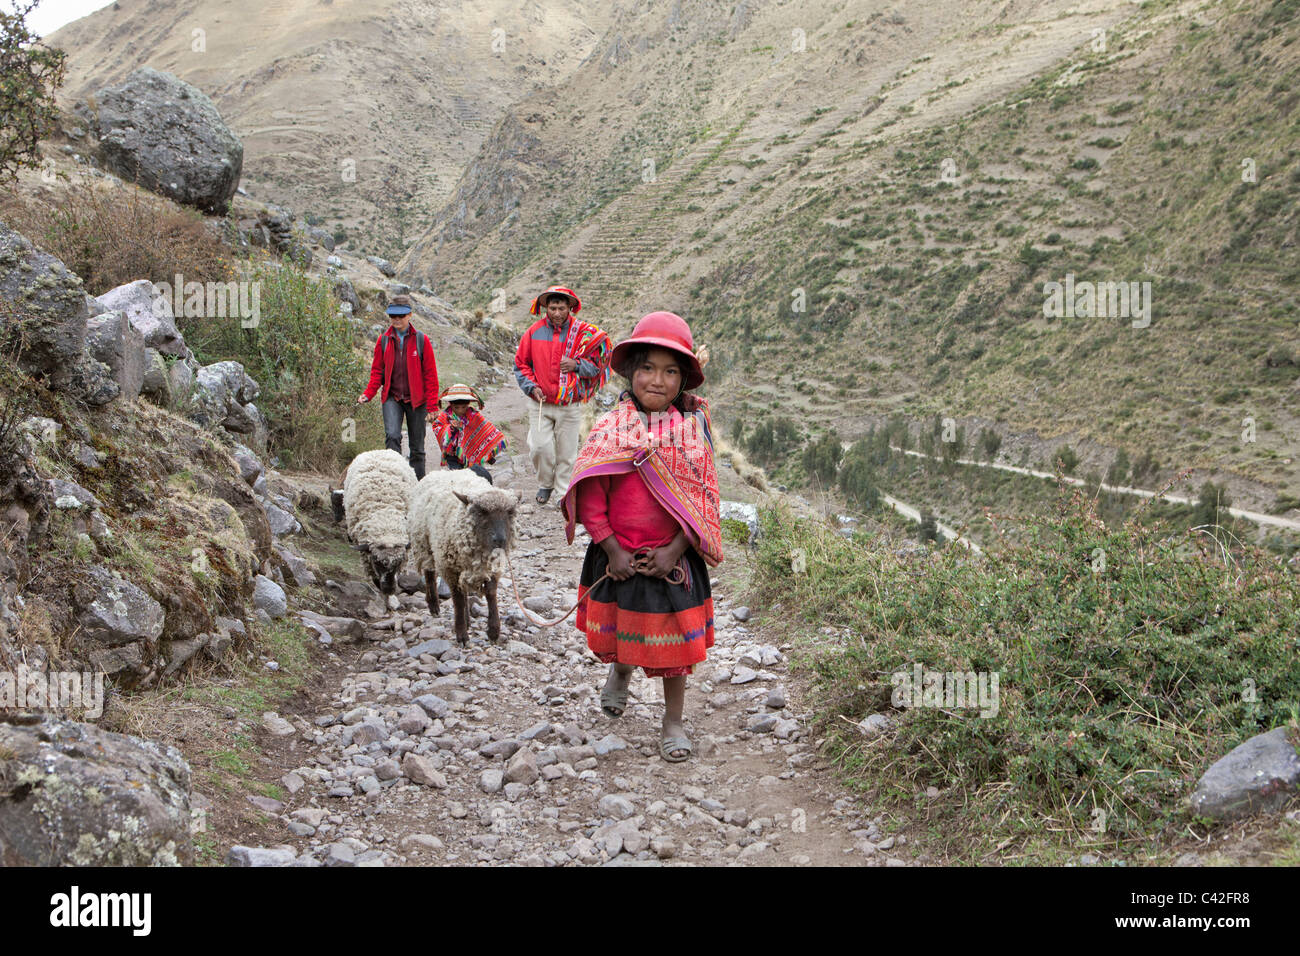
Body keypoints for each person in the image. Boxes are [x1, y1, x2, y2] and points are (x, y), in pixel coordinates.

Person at [560, 311, 722, 763]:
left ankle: (673, 720)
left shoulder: (692, 433)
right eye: (648, 368)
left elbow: (702, 499)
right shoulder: (611, 428)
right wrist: (611, 547)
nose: (658, 380)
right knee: (626, 630)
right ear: (632, 372)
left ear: (684, 380)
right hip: (619, 558)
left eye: (671, 371)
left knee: (677, 650)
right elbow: (593, 495)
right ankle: (620, 673)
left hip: (672, 561)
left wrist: (674, 550)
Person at [514, 285, 610, 504]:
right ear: (546, 308)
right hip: (540, 402)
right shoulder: (534, 332)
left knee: (567, 452)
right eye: (553, 308)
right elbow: (521, 364)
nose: (557, 313)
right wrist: (531, 387)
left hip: (569, 404)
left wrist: (576, 365)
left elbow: (597, 366)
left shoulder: (584, 334)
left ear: (570, 308)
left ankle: (562, 492)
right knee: (540, 447)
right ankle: (545, 483)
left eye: (561, 308)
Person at [357, 294, 439, 479]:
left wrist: (433, 406)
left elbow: (430, 376)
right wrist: (368, 394)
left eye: (401, 316)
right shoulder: (384, 340)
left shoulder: (421, 340)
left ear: (410, 315)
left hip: (417, 400)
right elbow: (377, 371)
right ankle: (394, 481)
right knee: (392, 437)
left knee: (417, 447)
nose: (397, 320)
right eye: (393, 316)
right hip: (392, 398)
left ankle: (418, 485)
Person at [431, 383, 507, 484]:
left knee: (479, 477)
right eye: (456, 407)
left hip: (470, 455)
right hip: (452, 456)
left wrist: (488, 452)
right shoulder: (445, 416)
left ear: (468, 404)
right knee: (457, 478)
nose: (460, 410)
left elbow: (484, 432)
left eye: (463, 407)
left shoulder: (473, 415)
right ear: (450, 404)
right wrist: (450, 428)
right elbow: (437, 427)